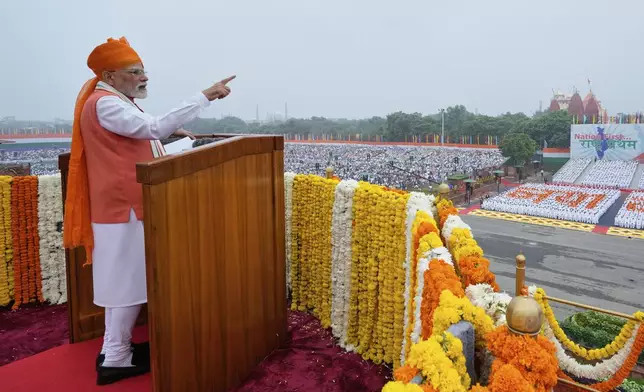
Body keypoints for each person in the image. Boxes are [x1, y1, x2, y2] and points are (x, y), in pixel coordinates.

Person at [63, 37, 235, 385]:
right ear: (110, 76)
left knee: (121, 283)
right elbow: (152, 128)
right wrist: (205, 96)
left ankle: (116, 351)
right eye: (135, 72)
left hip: (123, 207)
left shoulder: (115, 100)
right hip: (123, 208)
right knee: (124, 285)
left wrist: (175, 139)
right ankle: (116, 358)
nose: (144, 77)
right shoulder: (106, 104)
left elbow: (143, 141)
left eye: (143, 70)